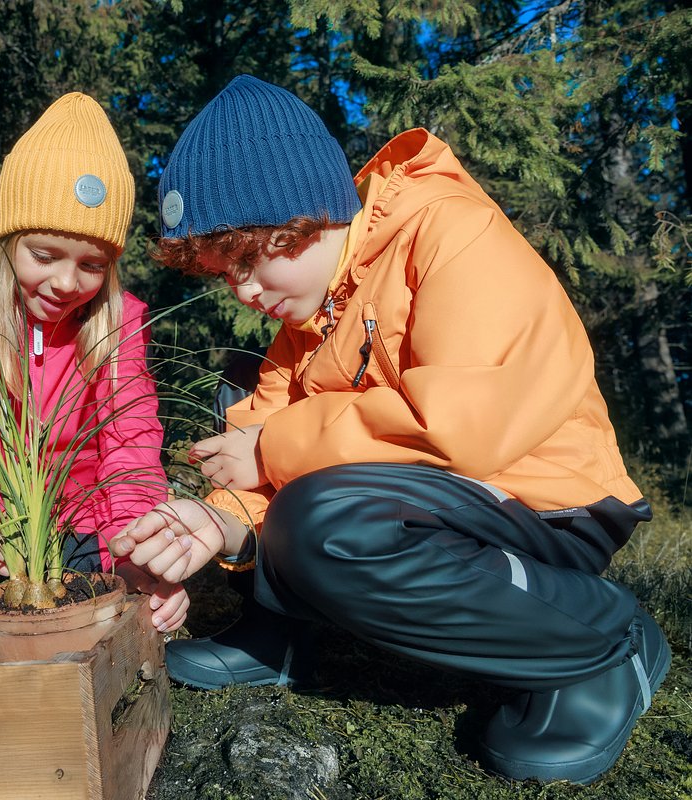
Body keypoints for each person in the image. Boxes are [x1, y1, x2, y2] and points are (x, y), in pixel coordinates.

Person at [111, 74, 670, 784]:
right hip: (433, 505)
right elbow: (259, 442)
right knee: (243, 386)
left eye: (249, 259)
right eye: (225, 274)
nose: (244, 291)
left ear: (304, 213)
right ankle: (277, 636)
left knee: (326, 518)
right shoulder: (309, 319)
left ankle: (596, 644)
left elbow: (462, 429)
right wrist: (214, 523)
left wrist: (275, 450)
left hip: (545, 511)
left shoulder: (452, 233)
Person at [0, 92, 188, 632]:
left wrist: (135, 549)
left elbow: (130, 446)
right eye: (44, 256)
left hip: (83, 536)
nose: (66, 283)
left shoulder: (118, 323)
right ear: (9, 240)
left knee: (97, 626)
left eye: (92, 265)